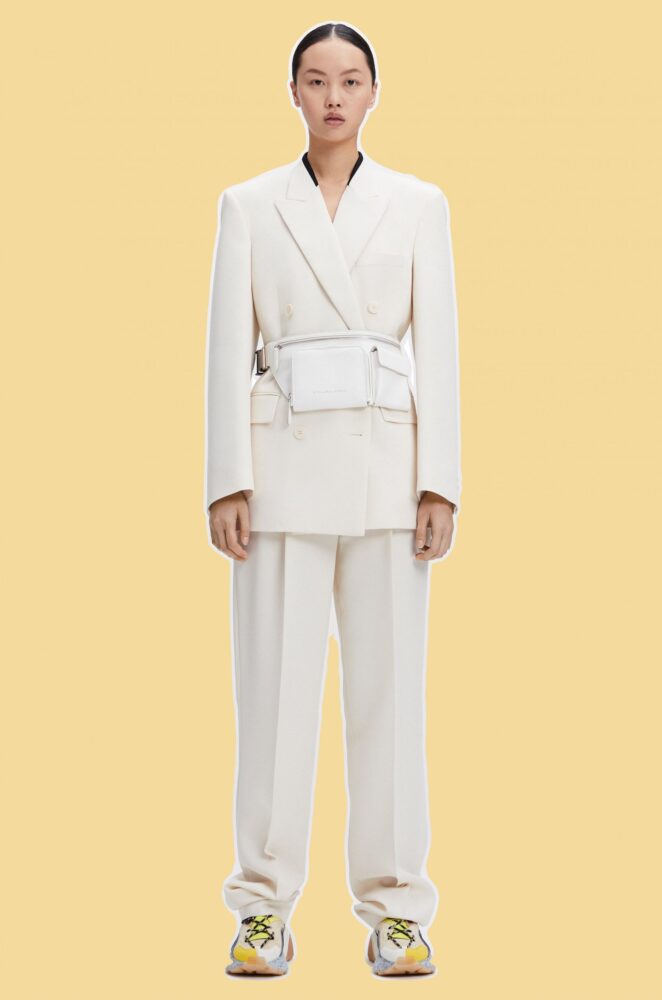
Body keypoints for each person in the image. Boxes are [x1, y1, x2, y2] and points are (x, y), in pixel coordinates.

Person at [204, 20, 461, 978]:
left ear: (374, 91)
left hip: (388, 469)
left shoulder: (419, 204)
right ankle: (261, 907)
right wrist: (227, 477)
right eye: (316, 80)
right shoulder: (247, 205)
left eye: (350, 80)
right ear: (293, 93)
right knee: (272, 696)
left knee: (390, 699)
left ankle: (396, 909)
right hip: (279, 466)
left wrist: (440, 480)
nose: (334, 97)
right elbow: (226, 345)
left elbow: (439, 345)